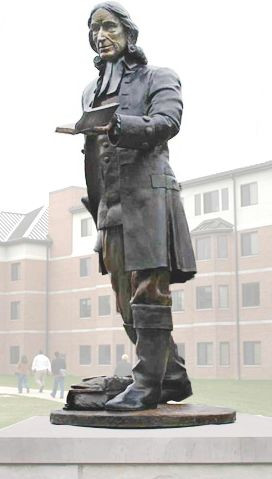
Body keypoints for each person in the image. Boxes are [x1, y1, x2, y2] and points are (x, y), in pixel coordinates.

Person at [80, 1, 197, 411]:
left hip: (149, 198)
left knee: (149, 293)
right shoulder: (89, 92)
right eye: (94, 30)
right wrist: (94, 204)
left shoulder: (159, 77)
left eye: (108, 26)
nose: (100, 35)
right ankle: (173, 376)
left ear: (129, 34)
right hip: (109, 208)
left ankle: (147, 382)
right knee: (123, 301)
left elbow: (169, 122)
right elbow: (93, 156)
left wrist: (121, 126)